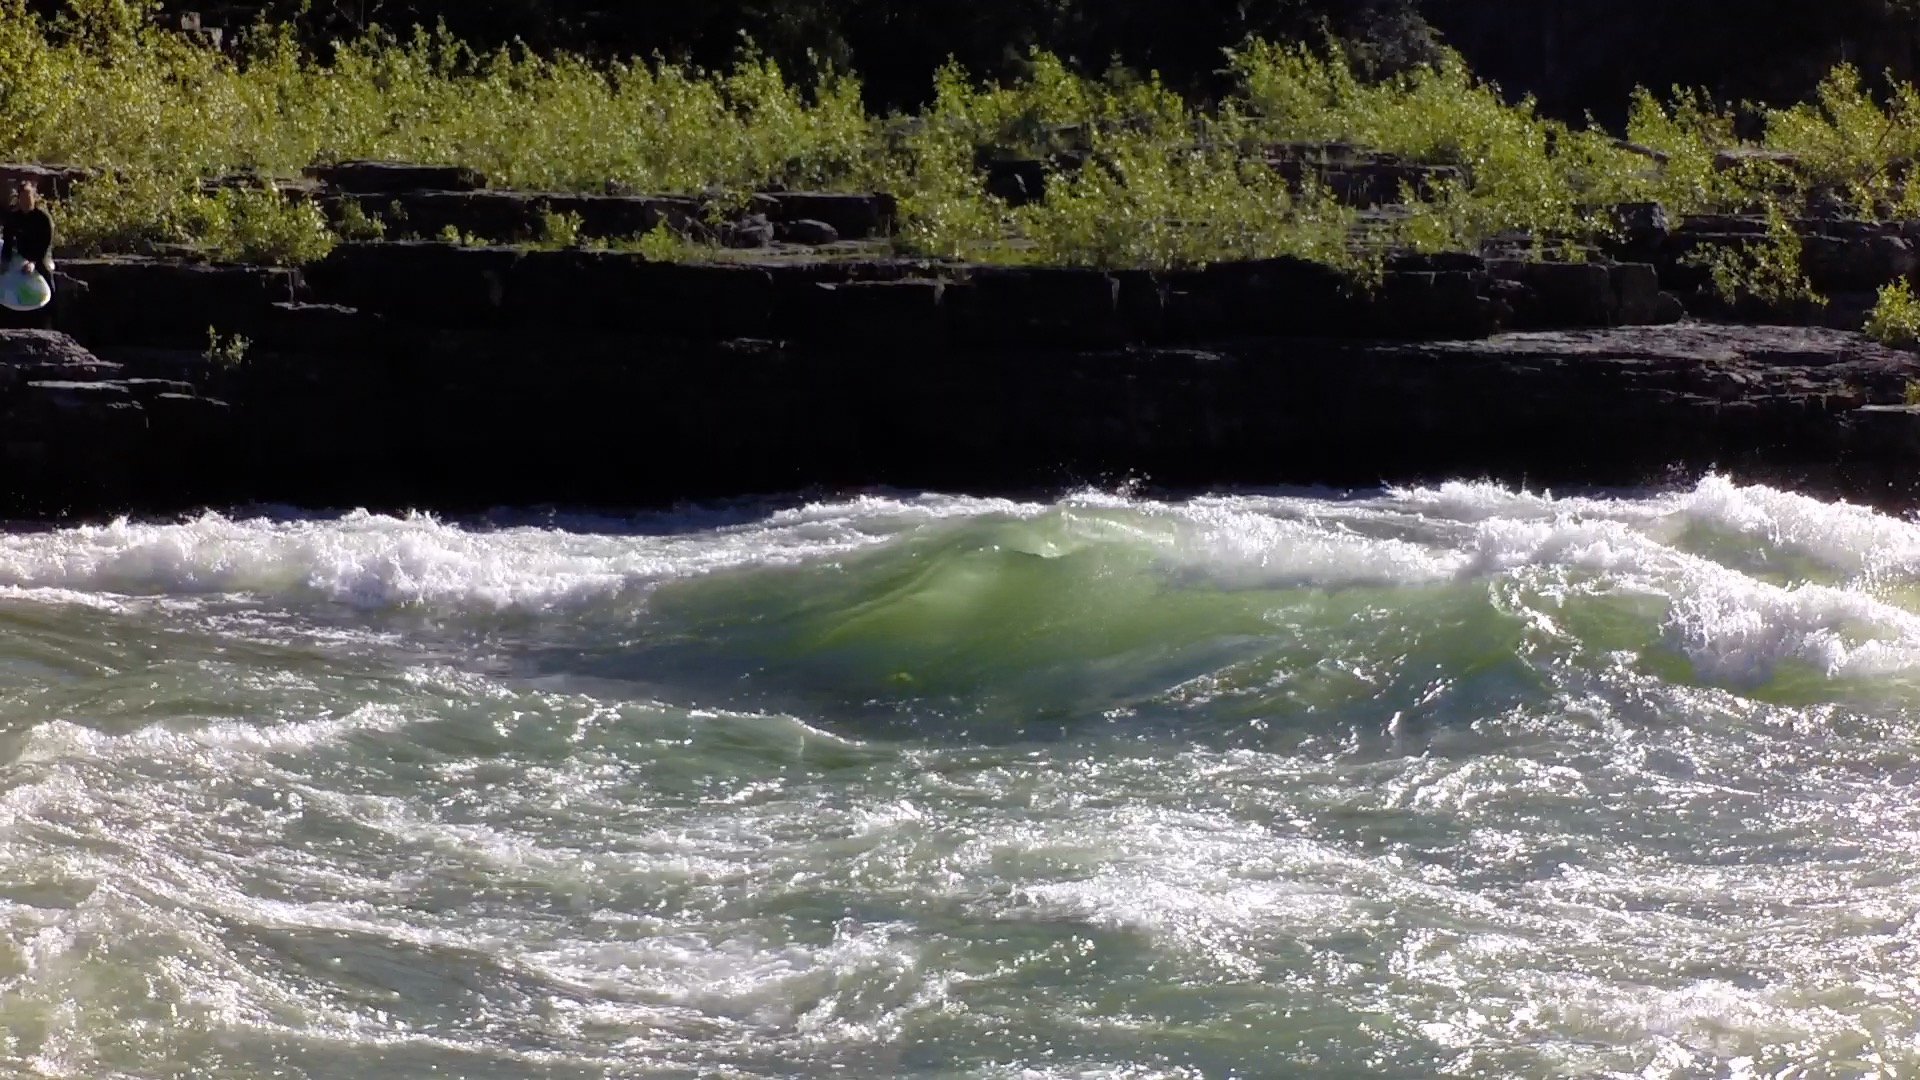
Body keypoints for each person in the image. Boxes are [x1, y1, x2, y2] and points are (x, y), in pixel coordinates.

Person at [1, 178, 55, 286]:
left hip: (41, 256)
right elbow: (7, 243)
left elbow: (46, 244)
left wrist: (33, 263)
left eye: (29, 197)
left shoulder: (43, 218)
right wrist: (5, 261)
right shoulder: (13, 218)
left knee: (44, 269)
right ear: (19, 199)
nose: (26, 201)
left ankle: (53, 300)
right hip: (22, 255)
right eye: (23, 198)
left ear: (34, 198)